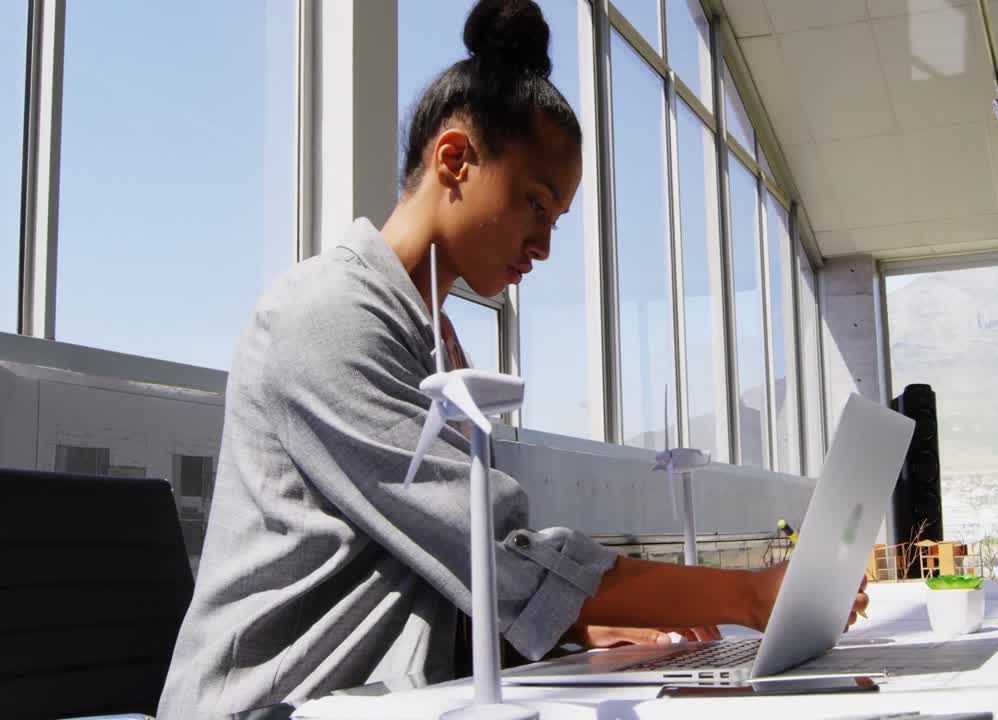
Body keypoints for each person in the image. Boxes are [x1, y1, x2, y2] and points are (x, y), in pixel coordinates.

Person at [157, 1, 868, 716]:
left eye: (556, 220)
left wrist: (572, 629)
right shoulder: (324, 317)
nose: (545, 245)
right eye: (535, 204)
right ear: (455, 160)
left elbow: (458, 577)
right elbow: (497, 554)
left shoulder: (433, 338)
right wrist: (747, 593)